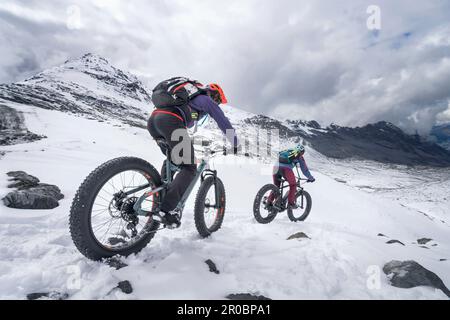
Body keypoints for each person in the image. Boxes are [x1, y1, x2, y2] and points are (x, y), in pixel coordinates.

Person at [147, 83, 238, 228]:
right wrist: (235, 142)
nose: (217, 103)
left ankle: (161, 197)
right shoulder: (205, 99)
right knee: (189, 168)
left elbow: (185, 122)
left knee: (172, 161)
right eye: (218, 100)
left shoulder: (186, 101)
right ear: (213, 94)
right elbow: (222, 120)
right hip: (170, 121)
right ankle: (165, 210)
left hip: (154, 121)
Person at [268, 144, 315, 209]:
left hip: (275, 168)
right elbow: (305, 170)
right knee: (293, 185)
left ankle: (269, 201)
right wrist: (311, 178)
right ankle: (291, 203)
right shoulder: (299, 156)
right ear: (302, 152)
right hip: (286, 170)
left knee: (276, 187)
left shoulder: (287, 151)